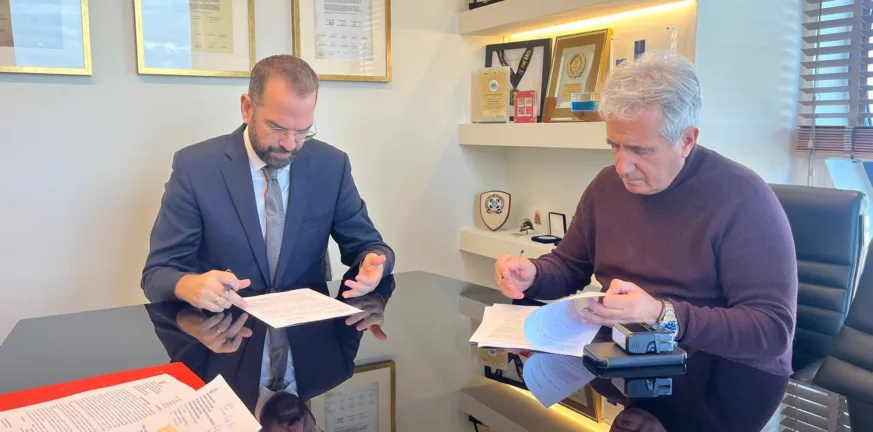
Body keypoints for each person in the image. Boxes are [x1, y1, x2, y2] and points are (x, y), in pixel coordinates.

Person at [494, 51, 798, 378]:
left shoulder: (743, 197)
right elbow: (569, 266)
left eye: (640, 150)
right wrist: (533, 275)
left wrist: (659, 314)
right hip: (623, 363)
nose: (622, 167)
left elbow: (771, 331)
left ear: (686, 140)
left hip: (722, 379)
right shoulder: (606, 187)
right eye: (615, 145)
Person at [142, 55, 394, 410]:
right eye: (277, 128)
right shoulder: (196, 167)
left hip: (306, 327)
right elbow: (157, 273)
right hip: (222, 341)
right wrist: (189, 285)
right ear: (247, 108)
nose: (291, 144)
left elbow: (367, 245)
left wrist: (374, 264)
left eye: (303, 131)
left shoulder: (331, 165)